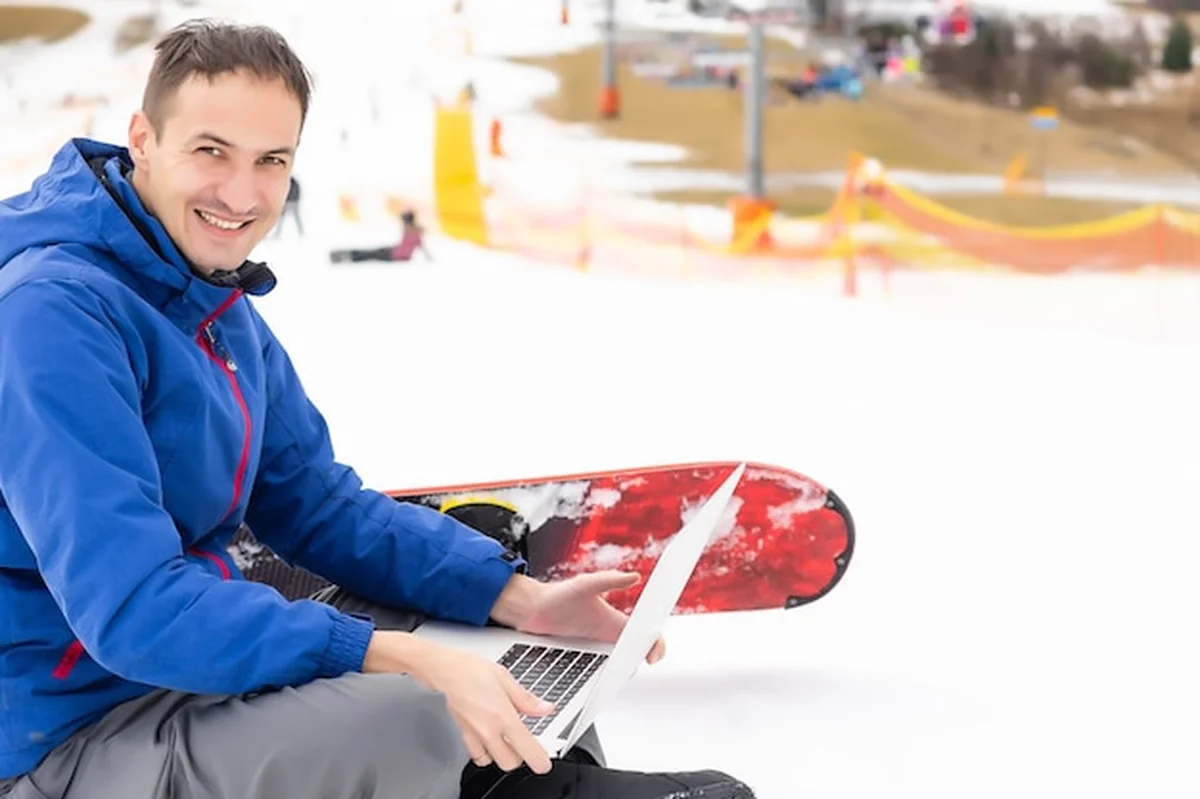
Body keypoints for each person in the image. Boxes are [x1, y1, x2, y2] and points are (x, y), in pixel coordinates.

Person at [0, 19, 756, 799]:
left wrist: (515, 597)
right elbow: (134, 611)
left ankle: (546, 776)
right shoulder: (52, 314)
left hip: (183, 683)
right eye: (210, 150)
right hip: (69, 736)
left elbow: (319, 504)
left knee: (458, 618)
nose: (242, 192)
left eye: (272, 160)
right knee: (403, 704)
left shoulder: (208, 299)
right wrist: (401, 659)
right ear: (144, 139)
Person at [330, 208, 431, 264]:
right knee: (371, 253)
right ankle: (348, 255)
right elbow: (422, 246)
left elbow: (421, 245)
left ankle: (347, 255)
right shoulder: (415, 232)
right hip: (396, 252)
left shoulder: (410, 230)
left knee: (371, 254)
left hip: (396, 254)